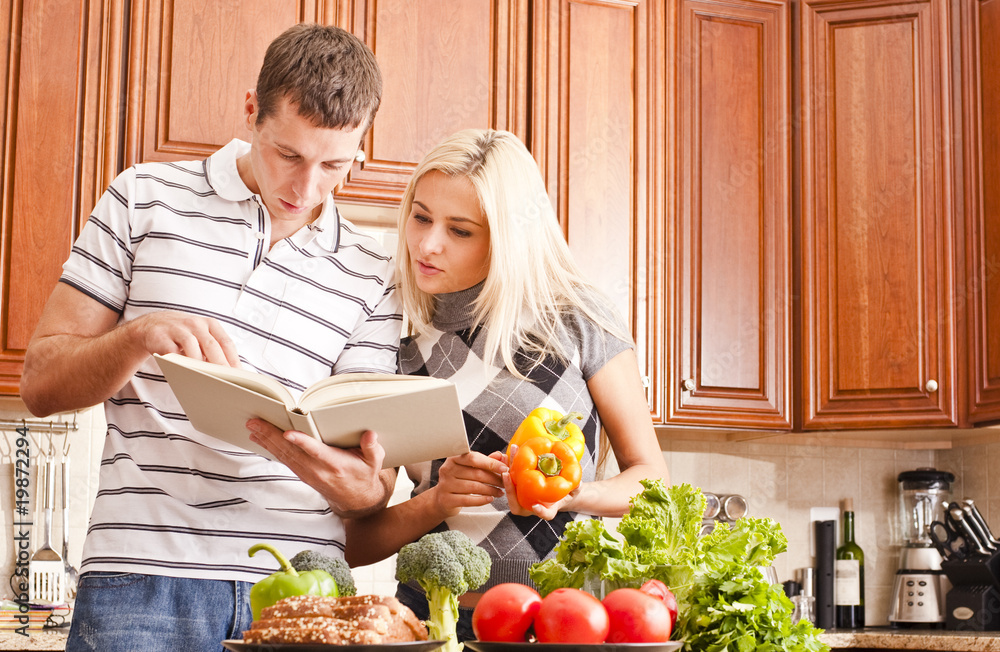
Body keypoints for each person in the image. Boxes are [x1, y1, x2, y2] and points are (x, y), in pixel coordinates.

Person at [20, 23, 401, 652]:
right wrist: (139, 335)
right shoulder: (143, 199)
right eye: (289, 155)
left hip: (303, 590)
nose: (306, 189)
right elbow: (40, 385)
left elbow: (370, 495)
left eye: (335, 165)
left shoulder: (375, 272)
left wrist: (314, 464)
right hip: (139, 576)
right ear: (251, 110)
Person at [249, 128, 670, 640]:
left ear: (507, 237)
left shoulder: (579, 320)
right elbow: (355, 543)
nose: (428, 244)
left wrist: (576, 494)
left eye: (460, 230)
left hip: (564, 622)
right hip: (431, 622)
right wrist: (438, 500)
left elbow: (652, 479)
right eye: (421, 217)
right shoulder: (391, 335)